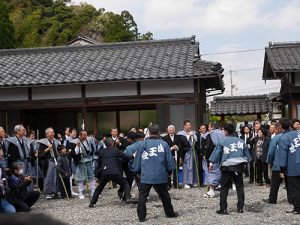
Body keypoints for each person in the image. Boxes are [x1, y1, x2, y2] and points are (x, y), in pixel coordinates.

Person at [133, 124, 177, 222]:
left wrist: (137, 171)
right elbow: (169, 160)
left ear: (149, 132)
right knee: (164, 195)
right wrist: (169, 171)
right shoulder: (164, 144)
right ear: (158, 132)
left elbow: (138, 159)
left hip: (146, 174)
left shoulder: (142, 144)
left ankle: (141, 217)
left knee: (143, 196)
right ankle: (170, 213)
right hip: (160, 174)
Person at [209, 123, 252, 215]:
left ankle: (223, 209)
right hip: (238, 166)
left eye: (224, 130)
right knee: (240, 187)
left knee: (224, 187)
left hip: (227, 166)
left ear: (226, 131)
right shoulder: (241, 141)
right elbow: (247, 156)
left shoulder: (222, 141)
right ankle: (240, 208)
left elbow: (217, 153)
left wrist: (211, 162)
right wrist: (249, 160)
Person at [89, 137, 132, 207]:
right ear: (112, 143)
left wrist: (98, 175)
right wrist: (133, 156)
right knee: (125, 184)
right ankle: (127, 198)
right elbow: (126, 157)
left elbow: (98, 164)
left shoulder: (101, 152)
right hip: (115, 172)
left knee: (99, 188)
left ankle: (92, 203)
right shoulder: (116, 150)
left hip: (104, 172)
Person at [278, 118, 300, 214]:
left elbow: (282, 155)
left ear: (281, 127)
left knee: (295, 188)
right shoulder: (298, 134)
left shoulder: (283, 137)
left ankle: (298, 208)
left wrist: (282, 169)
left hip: (293, 166)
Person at [70, 130, 96, 199]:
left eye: (86, 135)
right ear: (80, 135)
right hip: (81, 161)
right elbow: (74, 153)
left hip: (89, 160)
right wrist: (78, 146)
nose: (85, 136)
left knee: (91, 176)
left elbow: (92, 149)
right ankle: (80, 193)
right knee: (80, 178)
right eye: (84, 135)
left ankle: (93, 192)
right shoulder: (75, 142)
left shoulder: (89, 140)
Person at [38, 127, 61, 199]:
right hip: (48, 161)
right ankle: (48, 193)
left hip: (56, 160)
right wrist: (48, 149)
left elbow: (60, 149)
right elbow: (40, 153)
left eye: (53, 132)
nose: (52, 134)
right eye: (51, 132)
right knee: (49, 177)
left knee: (57, 176)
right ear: (47, 134)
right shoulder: (42, 142)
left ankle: (56, 191)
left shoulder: (56, 141)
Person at [203, 122, 224, 198]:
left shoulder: (211, 134)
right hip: (224, 155)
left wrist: (205, 155)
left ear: (211, 127)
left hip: (214, 155)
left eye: (208, 127)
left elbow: (208, 146)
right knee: (223, 172)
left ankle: (212, 190)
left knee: (213, 172)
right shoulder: (223, 133)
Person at [263, 122, 283, 204]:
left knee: (274, 183)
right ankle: (292, 199)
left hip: (277, 163)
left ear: (278, 128)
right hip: (290, 164)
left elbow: (271, 152)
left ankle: (272, 199)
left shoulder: (276, 137)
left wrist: (269, 161)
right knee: (290, 183)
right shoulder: (292, 136)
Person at [177, 120, 199, 189]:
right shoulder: (180, 133)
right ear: (185, 126)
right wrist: (188, 135)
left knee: (194, 166)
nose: (190, 126)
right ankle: (186, 182)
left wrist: (193, 135)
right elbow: (183, 142)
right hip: (186, 152)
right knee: (187, 167)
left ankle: (194, 181)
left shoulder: (193, 132)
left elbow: (196, 140)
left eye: (190, 125)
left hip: (193, 151)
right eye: (188, 125)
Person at [0, 148, 16, 214]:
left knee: (12, 211)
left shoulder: (0, 165)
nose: (2, 157)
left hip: (2, 197)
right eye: (1, 155)